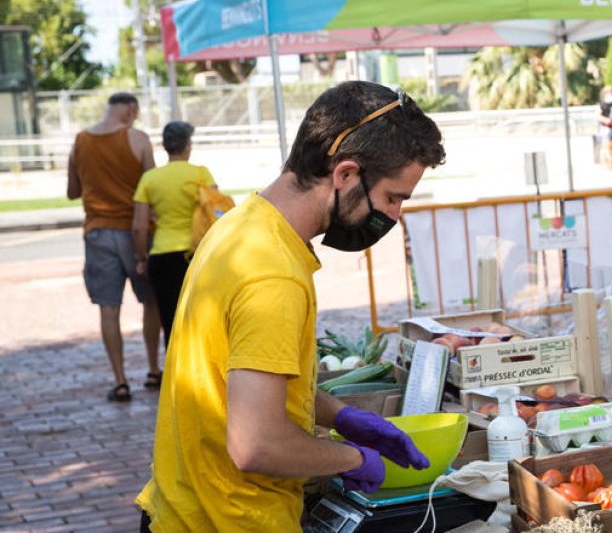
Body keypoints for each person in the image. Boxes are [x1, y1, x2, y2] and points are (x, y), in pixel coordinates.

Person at [136, 82, 442, 532]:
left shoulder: (240, 226)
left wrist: (340, 416)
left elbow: (238, 378)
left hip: (177, 511)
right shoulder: (273, 275)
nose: (394, 215)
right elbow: (256, 445)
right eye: (393, 197)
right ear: (345, 175)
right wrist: (350, 457)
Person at [67, 92, 160, 403]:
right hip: (136, 232)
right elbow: (152, 190)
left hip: (97, 232)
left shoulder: (80, 141)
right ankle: (152, 369)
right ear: (130, 110)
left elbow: (72, 191)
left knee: (109, 307)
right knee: (150, 301)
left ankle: (120, 380)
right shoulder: (138, 139)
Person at [132, 121, 215, 348]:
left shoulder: (150, 179)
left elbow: (139, 226)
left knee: (170, 321)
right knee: (201, 318)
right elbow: (214, 213)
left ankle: (174, 377)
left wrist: (141, 258)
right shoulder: (200, 174)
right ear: (188, 146)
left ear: (165, 147)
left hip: (162, 254)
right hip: (195, 254)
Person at [597, 85, 612, 169]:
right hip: (605, 128)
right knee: (606, 146)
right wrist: (606, 120)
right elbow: (598, 116)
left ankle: (611, 162)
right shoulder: (603, 104)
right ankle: (608, 163)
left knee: (611, 146)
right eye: (609, 92)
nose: (611, 93)